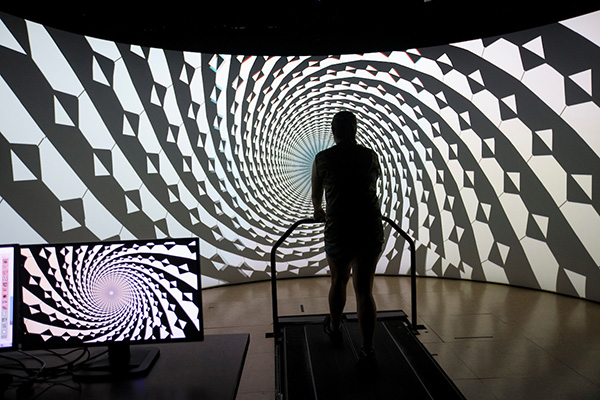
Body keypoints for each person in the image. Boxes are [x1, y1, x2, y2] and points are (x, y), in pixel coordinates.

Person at [311, 110, 384, 367]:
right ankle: (367, 349)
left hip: (338, 229)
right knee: (364, 290)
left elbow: (316, 198)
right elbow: (372, 183)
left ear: (334, 131)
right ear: (354, 130)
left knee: (338, 281)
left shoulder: (323, 159)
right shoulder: (369, 156)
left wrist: (320, 211)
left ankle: (334, 326)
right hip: (369, 227)